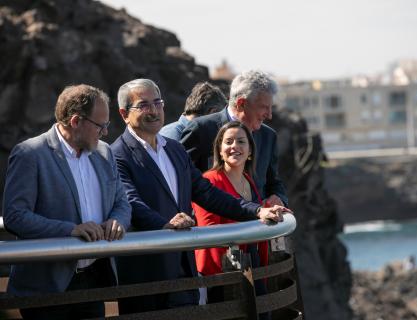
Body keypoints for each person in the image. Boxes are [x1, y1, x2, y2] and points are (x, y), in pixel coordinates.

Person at [110, 79, 289, 314]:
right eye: (143, 105)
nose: (154, 110)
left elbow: (207, 193)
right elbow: (131, 202)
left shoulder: (174, 149)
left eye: (158, 103)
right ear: (124, 114)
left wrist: (257, 210)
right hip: (147, 274)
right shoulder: (116, 154)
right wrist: (164, 224)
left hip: (185, 270)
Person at [2, 84, 131, 320]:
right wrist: (70, 230)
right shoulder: (30, 153)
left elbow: (122, 201)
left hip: (94, 280)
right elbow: (15, 216)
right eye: (100, 126)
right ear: (75, 121)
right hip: (47, 286)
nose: (105, 133)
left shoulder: (104, 152)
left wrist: (117, 220)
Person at [181, 70, 288, 207]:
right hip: (214, 225)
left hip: (257, 225)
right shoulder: (201, 130)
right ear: (241, 103)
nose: (269, 115)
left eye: (270, 108)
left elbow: (273, 181)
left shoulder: (268, 136)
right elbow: (181, 179)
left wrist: (278, 197)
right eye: (264, 108)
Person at [193, 121, 269, 308]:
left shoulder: (249, 180)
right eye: (228, 142)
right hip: (221, 274)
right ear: (219, 150)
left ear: (250, 151)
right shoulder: (210, 181)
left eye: (241, 142)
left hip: (250, 268)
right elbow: (209, 230)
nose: (234, 146)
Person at [161, 81, 226, 141]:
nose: (221, 122)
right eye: (220, 116)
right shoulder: (174, 137)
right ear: (213, 112)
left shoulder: (174, 133)